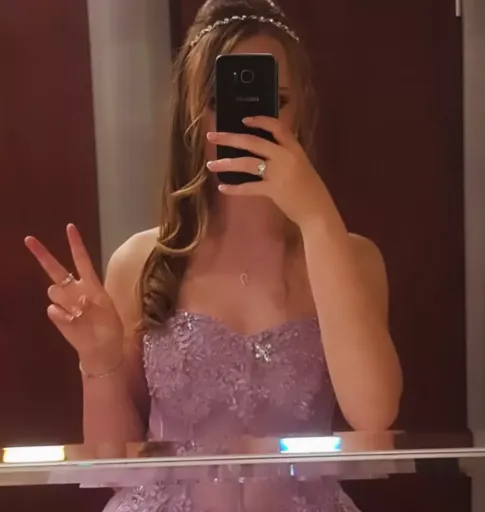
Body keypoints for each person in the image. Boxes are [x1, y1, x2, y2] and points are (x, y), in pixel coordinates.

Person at [25, 0, 402, 510]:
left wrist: (317, 218)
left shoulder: (350, 257)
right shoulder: (140, 262)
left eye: (274, 100)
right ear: (192, 111)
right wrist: (98, 360)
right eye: (220, 101)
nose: (246, 122)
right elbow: (116, 467)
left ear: (302, 108)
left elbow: (374, 415)